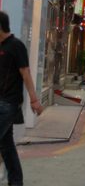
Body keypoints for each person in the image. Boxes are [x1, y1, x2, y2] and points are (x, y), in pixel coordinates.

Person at [0, 11, 44, 186]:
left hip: (8, 103)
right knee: (6, 145)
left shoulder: (16, 46)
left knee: (6, 145)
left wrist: (34, 100)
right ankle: (16, 181)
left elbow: (25, 74)